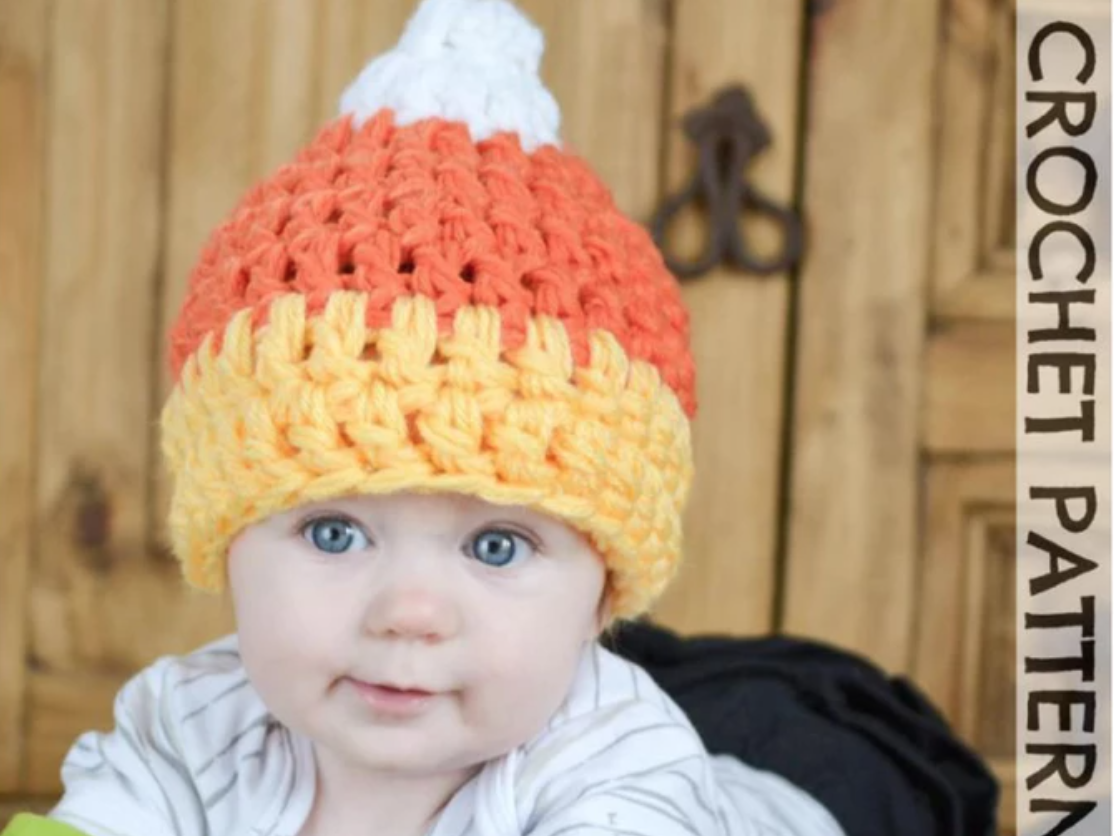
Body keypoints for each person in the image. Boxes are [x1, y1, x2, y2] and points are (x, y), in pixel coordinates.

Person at [3, 1, 852, 834]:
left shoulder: (620, 770)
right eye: (334, 532)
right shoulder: (188, 724)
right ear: (226, 544)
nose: (408, 611)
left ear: (603, 596)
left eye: (497, 545)